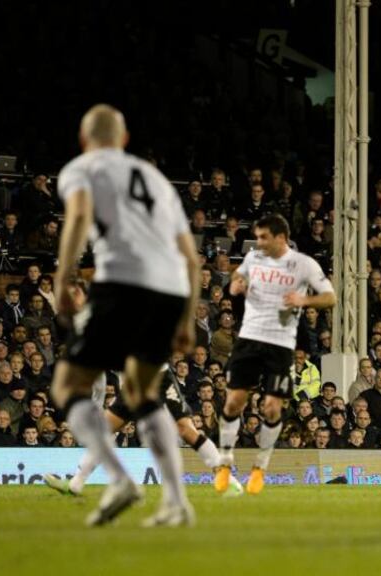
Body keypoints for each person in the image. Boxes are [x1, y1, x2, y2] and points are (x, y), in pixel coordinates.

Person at [51, 104, 199, 527]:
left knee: (68, 384)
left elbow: (79, 215)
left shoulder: (83, 168)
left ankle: (118, 480)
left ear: (84, 141)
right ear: (125, 139)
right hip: (169, 291)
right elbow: (191, 259)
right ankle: (176, 502)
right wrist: (187, 319)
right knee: (142, 393)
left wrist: (63, 279)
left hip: (123, 285)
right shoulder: (156, 180)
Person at [215, 213, 336, 495]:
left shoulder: (303, 264)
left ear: (280, 238)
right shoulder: (254, 259)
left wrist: (304, 299)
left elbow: (330, 297)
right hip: (248, 338)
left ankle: (260, 468)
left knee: (272, 408)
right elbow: (237, 278)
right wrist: (235, 285)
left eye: (263, 238)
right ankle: (224, 464)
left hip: (280, 344)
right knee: (233, 403)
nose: (258, 243)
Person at [44, 368, 243, 497]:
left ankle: (228, 480)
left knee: (185, 429)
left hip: (158, 377)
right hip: (133, 383)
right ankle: (76, 483)